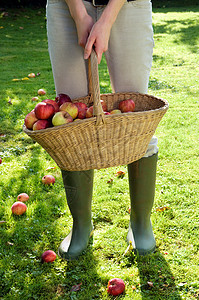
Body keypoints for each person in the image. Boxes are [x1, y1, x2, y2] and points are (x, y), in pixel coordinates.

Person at [46, 0, 158, 260]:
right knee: (71, 121)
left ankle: (141, 223)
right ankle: (82, 225)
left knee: (137, 117)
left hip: (128, 5)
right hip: (67, 7)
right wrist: (78, 12)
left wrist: (107, 18)